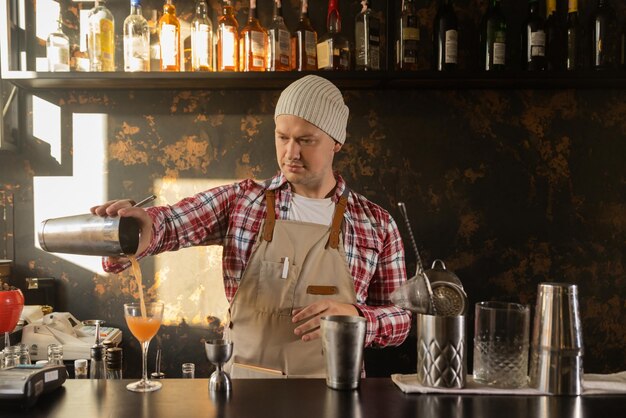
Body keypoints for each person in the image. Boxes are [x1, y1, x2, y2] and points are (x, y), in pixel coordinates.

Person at [93, 75, 411, 378]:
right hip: (248, 389)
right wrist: (139, 227)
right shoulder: (243, 201)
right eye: (282, 137)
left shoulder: (376, 224)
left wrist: (356, 318)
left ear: (336, 142)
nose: (290, 153)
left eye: (306, 140)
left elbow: (401, 321)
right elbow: (172, 224)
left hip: (335, 391)